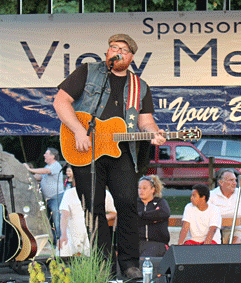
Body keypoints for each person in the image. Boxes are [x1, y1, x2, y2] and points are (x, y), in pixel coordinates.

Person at [53, 33, 166, 278]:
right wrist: (79, 131)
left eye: (122, 49)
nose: (116, 51)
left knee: (127, 205)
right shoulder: (88, 72)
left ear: (131, 57)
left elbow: (146, 122)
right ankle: (102, 265)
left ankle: (129, 264)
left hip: (122, 152)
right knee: (93, 210)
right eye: (113, 47)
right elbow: (61, 102)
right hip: (85, 149)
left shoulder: (140, 86)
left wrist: (154, 134)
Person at [57, 172, 117, 257]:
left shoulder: (104, 193)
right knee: (63, 247)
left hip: (93, 234)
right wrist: (63, 235)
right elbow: (64, 215)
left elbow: (114, 213)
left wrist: (102, 218)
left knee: (97, 249)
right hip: (72, 236)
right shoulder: (69, 193)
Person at [24, 148, 65, 244]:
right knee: (51, 222)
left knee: (57, 221)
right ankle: (55, 242)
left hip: (56, 198)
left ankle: (60, 243)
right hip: (49, 199)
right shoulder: (48, 166)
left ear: (53, 156)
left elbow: (45, 171)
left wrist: (30, 169)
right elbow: (39, 176)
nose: (44, 155)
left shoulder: (55, 166)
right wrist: (26, 173)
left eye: (46, 154)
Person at [207, 168, 241, 244]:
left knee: (235, 243)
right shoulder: (212, 195)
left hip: (238, 230)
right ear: (221, 182)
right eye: (231, 180)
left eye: (235, 180)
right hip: (217, 230)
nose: (235, 183)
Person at [137, 175, 170, 257]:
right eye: (139, 188)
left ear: (152, 189)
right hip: (137, 242)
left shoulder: (160, 202)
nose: (141, 191)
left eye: (144, 188)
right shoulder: (135, 203)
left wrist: (141, 215)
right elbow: (131, 219)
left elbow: (164, 213)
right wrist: (153, 217)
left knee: (145, 260)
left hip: (157, 243)